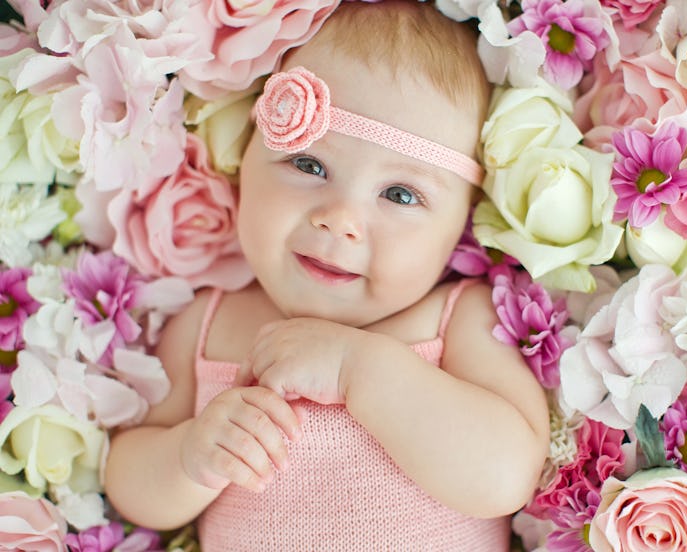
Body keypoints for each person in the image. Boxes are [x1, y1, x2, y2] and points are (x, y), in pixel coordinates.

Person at [104, 1, 550, 549]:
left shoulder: (457, 319)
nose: (340, 221)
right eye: (309, 165)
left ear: (464, 220)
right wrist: (187, 456)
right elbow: (127, 478)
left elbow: (509, 476)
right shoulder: (208, 323)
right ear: (245, 156)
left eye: (400, 195)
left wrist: (359, 370)